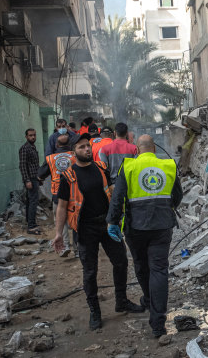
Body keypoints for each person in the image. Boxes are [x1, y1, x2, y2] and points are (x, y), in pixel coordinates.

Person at [52, 133, 143, 330]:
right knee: (90, 271)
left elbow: (112, 191)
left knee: (120, 261)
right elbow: (62, 206)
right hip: (84, 229)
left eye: (88, 146)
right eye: (82, 147)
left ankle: (121, 301)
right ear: (73, 152)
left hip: (107, 225)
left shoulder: (101, 168)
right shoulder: (68, 176)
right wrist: (59, 233)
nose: (86, 149)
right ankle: (95, 311)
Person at [107, 134, 183, 337]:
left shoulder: (129, 166)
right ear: (154, 149)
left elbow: (118, 197)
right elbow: (177, 195)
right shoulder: (168, 165)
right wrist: (167, 207)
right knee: (159, 270)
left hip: (135, 228)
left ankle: (150, 301)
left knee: (141, 265)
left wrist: (112, 221)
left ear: (137, 149)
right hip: (162, 226)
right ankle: (157, 324)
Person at [37, 134, 76, 257]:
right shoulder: (74, 156)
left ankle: (64, 246)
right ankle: (78, 249)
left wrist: (40, 179)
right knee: (76, 219)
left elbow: (40, 174)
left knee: (60, 220)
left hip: (57, 193)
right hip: (74, 192)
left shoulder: (50, 158)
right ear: (69, 144)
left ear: (56, 145)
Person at [19, 128, 41, 235]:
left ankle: (29, 221)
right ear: (26, 137)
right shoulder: (25, 148)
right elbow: (22, 166)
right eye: (31, 135)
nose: (33, 137)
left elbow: (34, 165)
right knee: (33, 201)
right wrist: (27, 180)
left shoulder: (32, 147)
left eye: (34, 135)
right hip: (30, 179)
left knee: (30, 201)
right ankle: (31, 226)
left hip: (34, 178)